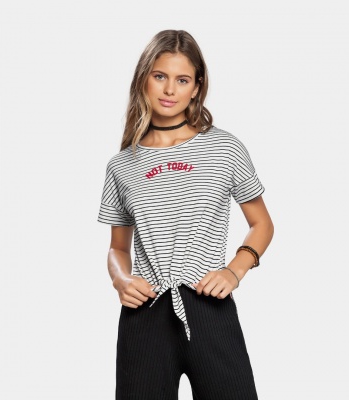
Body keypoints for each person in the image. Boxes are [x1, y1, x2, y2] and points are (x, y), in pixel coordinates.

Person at [97, 29, 274, 400]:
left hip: (209, 307)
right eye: (160, 76)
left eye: (182, 80)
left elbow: (262, 224)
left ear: (197, 87)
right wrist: (121, 280)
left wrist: (234, 271)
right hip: (145, 313)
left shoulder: (225, 147)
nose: (169, 89)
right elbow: (118, 247)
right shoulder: (121, 165)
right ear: (143, 78)